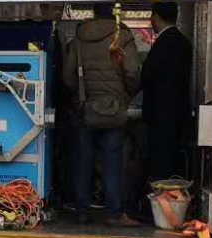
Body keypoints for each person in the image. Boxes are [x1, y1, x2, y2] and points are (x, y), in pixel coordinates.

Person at [62, 2, 140, 226]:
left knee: (83, 159)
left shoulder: (79, 38)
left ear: (94, 13)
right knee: (112, 160)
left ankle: (82, 211)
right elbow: (133, 72)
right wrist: (125, 96)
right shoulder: (122, 36)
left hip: (85, 108)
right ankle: (114, 213)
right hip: (114, 108)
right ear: (114, 13)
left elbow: (68, 77)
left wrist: (79, 97)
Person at [140, 2, 193, 182]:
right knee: (173, 164)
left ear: (155, 17)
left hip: (159, 115)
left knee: (160, 165)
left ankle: (160, 204)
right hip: (180, 114)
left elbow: (146, 75)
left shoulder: (162, 44)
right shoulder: (184, 43)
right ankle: (173, 200)